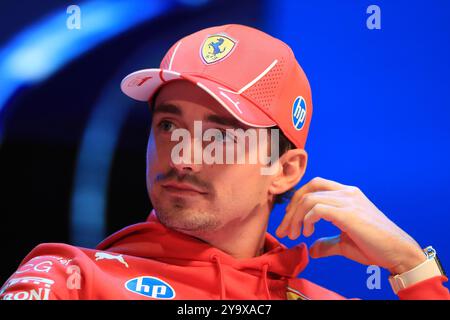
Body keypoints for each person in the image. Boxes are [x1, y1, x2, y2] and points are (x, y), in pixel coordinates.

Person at [1, 24, 448, 300]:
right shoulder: (66, 279)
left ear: (286, 170)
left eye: (220, 135)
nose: (185, 154)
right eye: (169, 127)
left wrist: (413, 269)